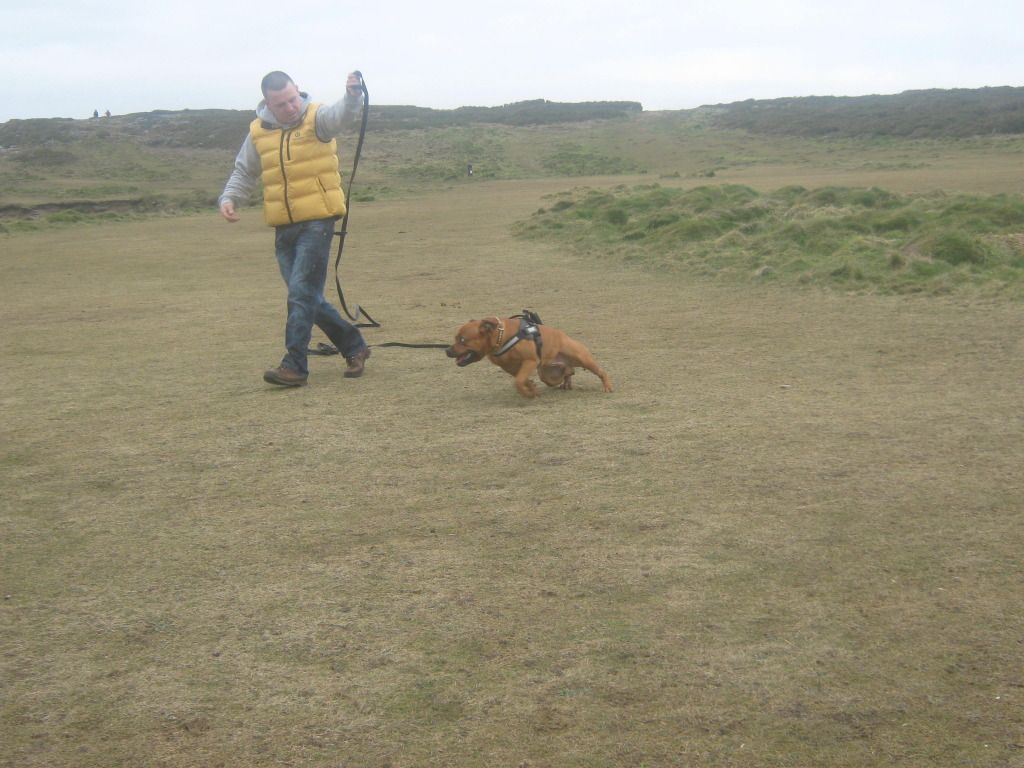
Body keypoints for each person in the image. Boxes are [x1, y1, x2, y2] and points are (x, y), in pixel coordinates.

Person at [219, 70, 370, 387]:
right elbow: (245, 170)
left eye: (292, 99)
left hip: (318, 220)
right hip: (283, 226)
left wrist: (353, 96)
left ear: (297, 91)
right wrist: (230, 197)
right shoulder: (259, 131)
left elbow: (341, 116)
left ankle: (295, 366)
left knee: (301, 295)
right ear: (267, 104)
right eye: (281, 104)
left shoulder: (317, 118)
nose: (289, 107)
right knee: (307, 296)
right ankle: (354, 345)